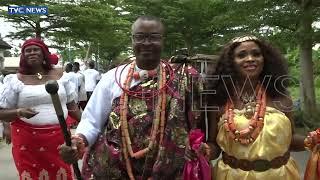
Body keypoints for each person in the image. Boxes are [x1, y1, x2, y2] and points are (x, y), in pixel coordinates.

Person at [59, 15, 203, 179]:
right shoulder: (113, 77)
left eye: (153, 37)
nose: (147, 43)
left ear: (162, 40)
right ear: (132, 40)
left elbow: (196, 125)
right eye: (140, 37)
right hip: (114, 170)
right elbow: (92, 120)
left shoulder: (182, 78)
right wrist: (79, 140)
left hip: (166, 171)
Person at [205, 35, 309, 180]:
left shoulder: (281, 97)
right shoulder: (219, 100)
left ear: (265, 59)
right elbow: (214, 145)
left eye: (256, 54)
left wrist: (312, 140)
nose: (250, 59)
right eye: (241, 55)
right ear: (231, 62)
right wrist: (206, 150)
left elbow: (290, 140)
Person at [0, 38, 81, 179]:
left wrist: (89, 126)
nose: (32, 53)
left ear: (44, 53)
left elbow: (72, 107)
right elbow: (2, 112)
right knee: (30, 174)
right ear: (23, 56)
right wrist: (19, 112)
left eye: (36, 49)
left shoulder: (61, 76)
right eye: (27, 50)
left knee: (62, 172)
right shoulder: (15, 80)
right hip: (27, 141)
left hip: (60, 138)